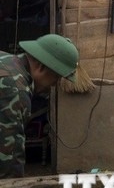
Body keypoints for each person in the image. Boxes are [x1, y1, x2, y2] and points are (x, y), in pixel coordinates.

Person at [0, 34, 79, 178]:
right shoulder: (15, 90)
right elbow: (7, 161)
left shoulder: (5, 60)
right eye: (57, 77)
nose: (54, 85)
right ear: (42, 66)